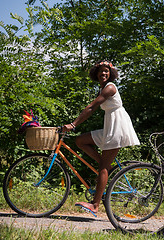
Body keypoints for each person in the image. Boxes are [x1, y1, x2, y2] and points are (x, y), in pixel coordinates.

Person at [63, 60, 140, 216]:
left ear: (111, 74)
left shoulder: (110, 88)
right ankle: (107, 167)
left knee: (103, 168)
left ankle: (95, 205)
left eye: (106, 71)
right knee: (80, 141)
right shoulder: (102, 88)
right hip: (110, 126)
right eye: (101, 71)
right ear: (96, 74)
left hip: (118, 126)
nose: (103, 73)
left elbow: (91, 107)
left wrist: (73, 124)